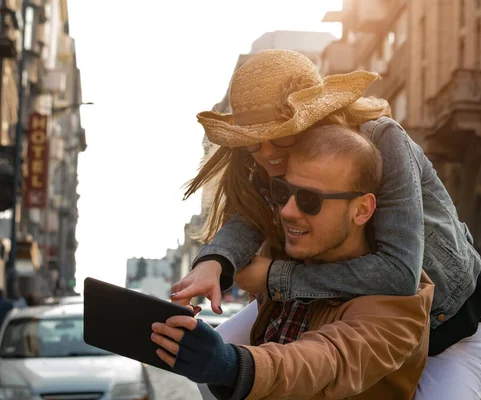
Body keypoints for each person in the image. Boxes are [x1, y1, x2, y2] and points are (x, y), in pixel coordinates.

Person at [171, 49, 481, 399]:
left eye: (279, 135)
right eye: (253, 141)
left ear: (313, 117)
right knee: (213, 374)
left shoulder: (384, 141)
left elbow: (400, 275)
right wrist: (215, 262)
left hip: (446, 329)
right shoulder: (279, 163)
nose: (266, 153)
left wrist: (274, 277)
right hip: (344, 308)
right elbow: (250, 213)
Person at [152, 125, 434, 399]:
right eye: (282, 192)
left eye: (311, 200)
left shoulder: (397, 306)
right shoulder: (288, 253)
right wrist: (213, 262)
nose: (287, 211)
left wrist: (233, 365)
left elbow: (323, 361)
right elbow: (247, 221)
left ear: (361, 210)